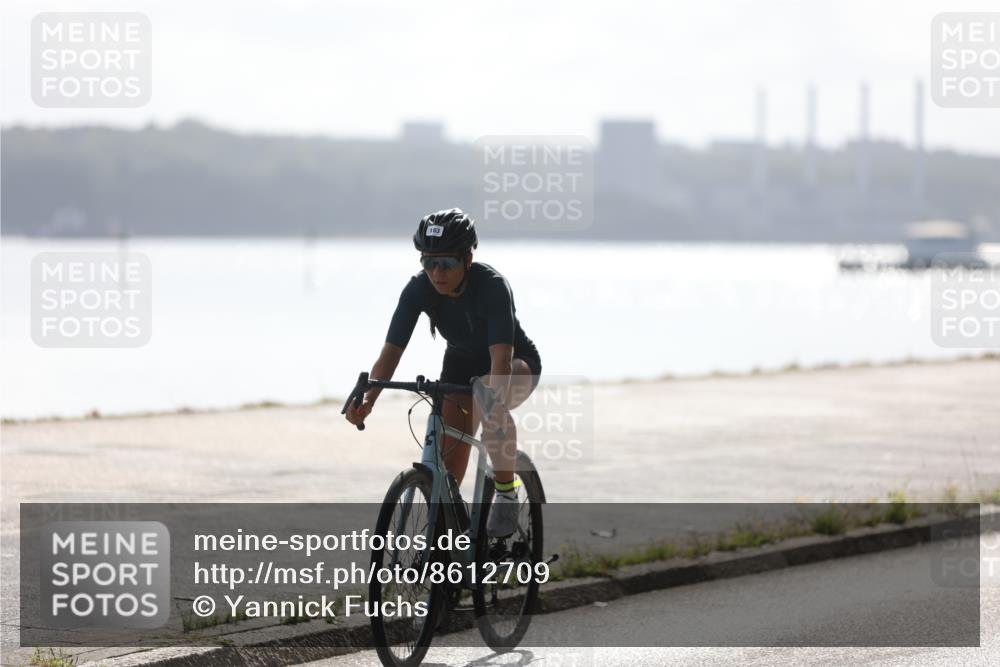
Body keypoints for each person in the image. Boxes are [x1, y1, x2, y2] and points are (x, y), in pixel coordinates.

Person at [344, 208, 542, 537]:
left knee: (488, 397)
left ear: (468, 258)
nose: (437, 272)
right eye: (428, 262)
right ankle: (449, 544)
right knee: (446, 475)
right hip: (461, 365)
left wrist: (492, 396)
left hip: (513, 363)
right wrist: (369, 397)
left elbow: (501, 358)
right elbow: (390, 352)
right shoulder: (418, 289)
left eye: (446, 263)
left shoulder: (492, 287)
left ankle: (506, 492)